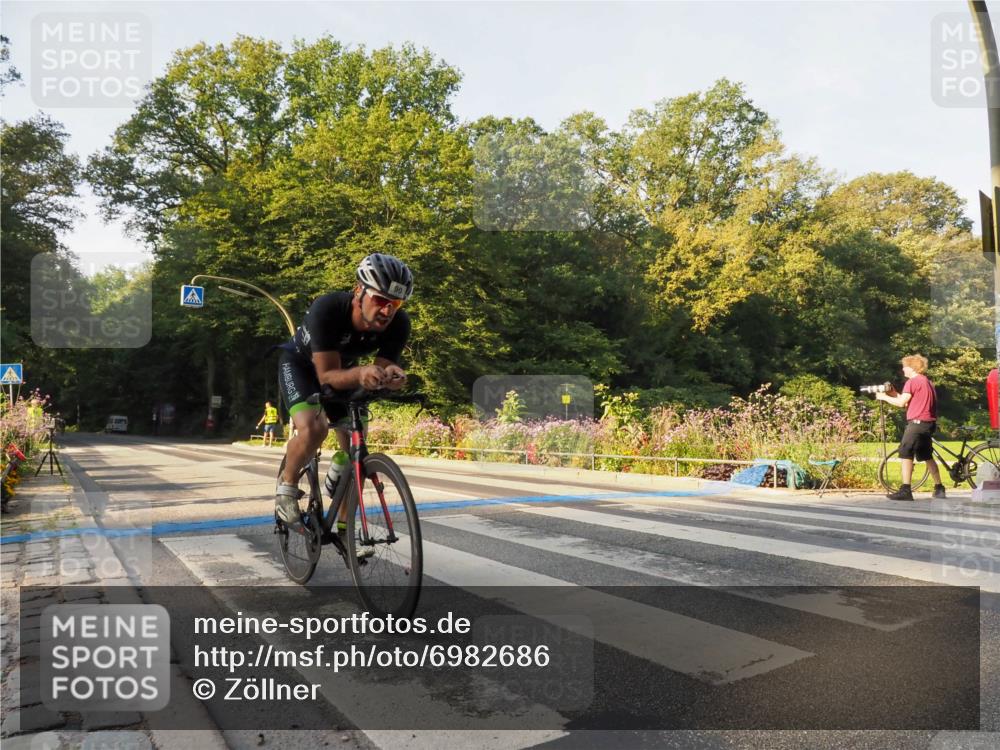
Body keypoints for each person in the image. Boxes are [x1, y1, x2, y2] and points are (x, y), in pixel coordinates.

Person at [274, 253, 412, 524]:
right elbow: (326, 376)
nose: (387, 310)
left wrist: (391, 377)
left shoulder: (399, 323)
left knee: (356, 450)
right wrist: (362, 373)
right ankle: (287, 486)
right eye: (380, 300)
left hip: (344, 371)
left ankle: (345, 529)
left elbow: (380, 370)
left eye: (394, 302)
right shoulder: (327, 309)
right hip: (302, 367)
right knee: (315, 428)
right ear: (359, 290)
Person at [875, 354, 946, 501]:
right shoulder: (926, 382)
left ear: (912, 368)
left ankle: (905, 489)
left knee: (905, 452)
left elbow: (901, 404)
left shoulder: (912, 382)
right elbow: (906, 401)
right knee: (926, 455)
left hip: (917, 424)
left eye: (904, 366)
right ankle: (939, 488)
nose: (903, 369)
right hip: (928, 424)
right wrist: (894, 394)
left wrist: (883, 397)